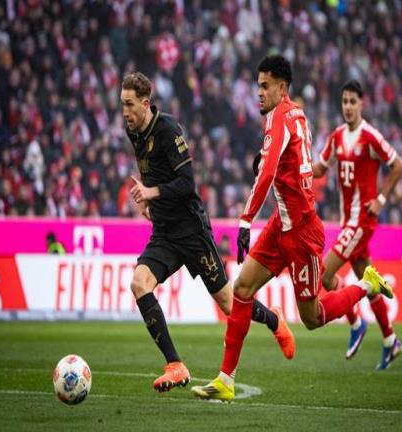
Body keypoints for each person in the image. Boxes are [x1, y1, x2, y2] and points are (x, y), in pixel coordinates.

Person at [191, 55, 393, 402]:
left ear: (281, 87)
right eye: (258, 86)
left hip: (301, 232)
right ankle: (226, 379)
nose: (259, 92)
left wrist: (245, 220)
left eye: (265, 86)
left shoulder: (278, 118)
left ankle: (366, 284)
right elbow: (288, 161)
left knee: (312, 317)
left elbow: (268, 172)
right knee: (242, 288)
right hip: (281, 224)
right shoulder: (297, 114)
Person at [121, 72, 295, 393]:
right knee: (139, 283)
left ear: (145, 104)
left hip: (191, 231)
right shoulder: (133, 131)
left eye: (130, 105)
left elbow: (187, 183)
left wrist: (152, 192)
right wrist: (148, 200)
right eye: (122, 104)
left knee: (229, 304)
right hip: (164, 232)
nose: (125, 112)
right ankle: (175, 365)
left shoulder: (168, 130)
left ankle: (274, 319)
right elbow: (153, 173)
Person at [312, 80, 402, 370]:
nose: (348, 107)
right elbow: (319, 168)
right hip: (348, 223)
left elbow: (398, 165)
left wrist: (381, 199)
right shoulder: (337, 136)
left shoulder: (370, 136)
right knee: (368, 278)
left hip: (361, 221)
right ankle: (390, 340)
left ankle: (356, 322)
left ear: (362, 104)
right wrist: (296, 166)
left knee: (324, 274)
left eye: (353, 101)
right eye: (345, 101)